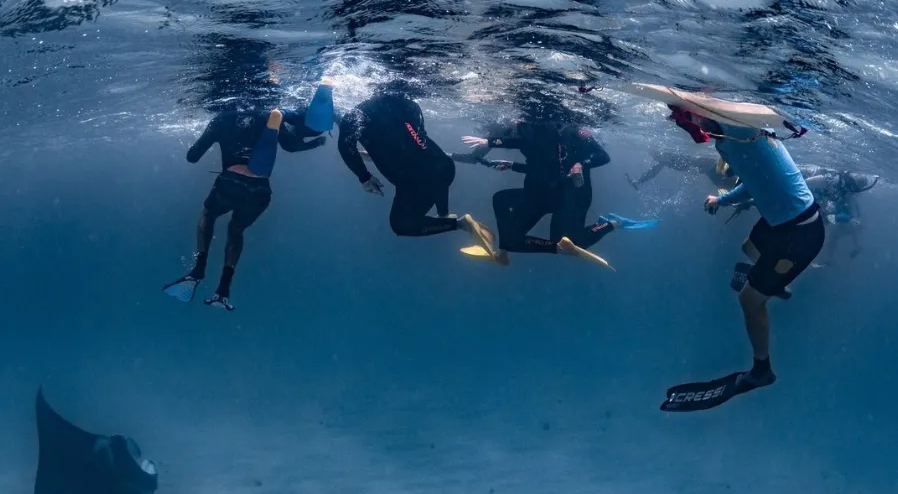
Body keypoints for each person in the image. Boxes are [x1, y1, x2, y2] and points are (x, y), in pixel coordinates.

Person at [673, 106, 824, 391]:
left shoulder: (740, 131)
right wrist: (722, 200)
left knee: (749, 301)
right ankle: (777, 284)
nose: (681, 121)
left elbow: (748, 114)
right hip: (780, 225)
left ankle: (761, 370)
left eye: (684, 115)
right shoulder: (726, 141)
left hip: (800, 233)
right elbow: (752, 185)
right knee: (749, 248)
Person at [163, 97, 329, 310]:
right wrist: (316, 143)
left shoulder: (220, 119)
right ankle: (223, 289)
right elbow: (291, 146)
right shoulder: (268, 116)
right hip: (259, 191)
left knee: (209, 214)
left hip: (230, 184)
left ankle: (198, 269)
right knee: (236, 229)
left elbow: (192, 157)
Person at [337, 87, 498, 258]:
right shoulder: (411, 106)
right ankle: (446, 215)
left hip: (415, 181)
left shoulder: (357, 114)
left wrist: (365, 177)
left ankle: (460, 224)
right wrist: (376, 154)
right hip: (443, 168)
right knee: (434, 180)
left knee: (401, 224)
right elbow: (413, 142)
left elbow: (345, 146)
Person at [455, 121, 625, 267]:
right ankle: (505, 251)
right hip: (544, 194)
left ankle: (611, 224)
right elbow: (541, 166)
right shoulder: (535, 137)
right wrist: (512, 164)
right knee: (506, 218)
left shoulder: (571, 131)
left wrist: (580, 164)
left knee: (573, 241)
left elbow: (602, 156)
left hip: (570, 196)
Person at [803, 170, 879, 266]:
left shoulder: (847, 194)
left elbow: (848, 214)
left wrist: (836, 217)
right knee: (832, 235)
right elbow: (803, 184)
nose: (851, 190)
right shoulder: (827, 180)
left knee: (830, 233)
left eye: (854, 188)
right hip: (809, 204)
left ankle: (825, 257)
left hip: (814, 210)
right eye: (852, 186)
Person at [626, 150, 735, 191]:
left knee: (727, 183)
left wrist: (639, 181)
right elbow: (654, 171)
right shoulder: (665, 160)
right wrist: (639, 181)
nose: (653, 158)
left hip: (710, 165)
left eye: (654, 155)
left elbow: (654, 171)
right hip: (707, 168)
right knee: (726, 185)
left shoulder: (667, 155)